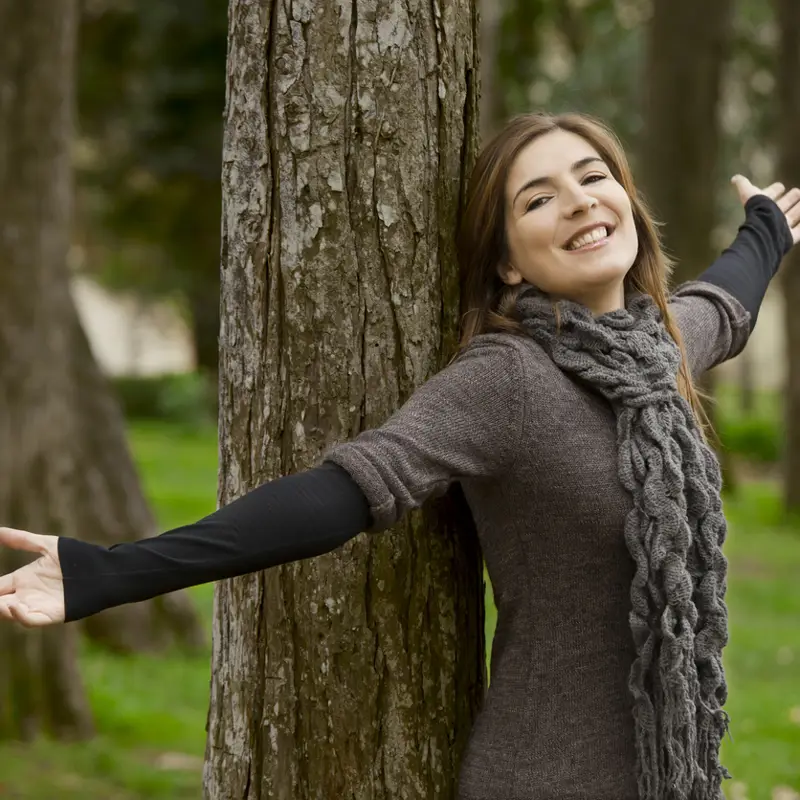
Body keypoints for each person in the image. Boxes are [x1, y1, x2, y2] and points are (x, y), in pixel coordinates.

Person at [1, 112, 798, 800]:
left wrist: (768, 227)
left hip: (668, 769)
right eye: (539, 197)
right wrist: (109, 572)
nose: (580, 200)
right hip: (547, 776)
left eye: (593, 176)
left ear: (626, 198)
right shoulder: (508, 380)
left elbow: (730, 299)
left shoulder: (662, 347)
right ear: (507, 262)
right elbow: (336, 496)